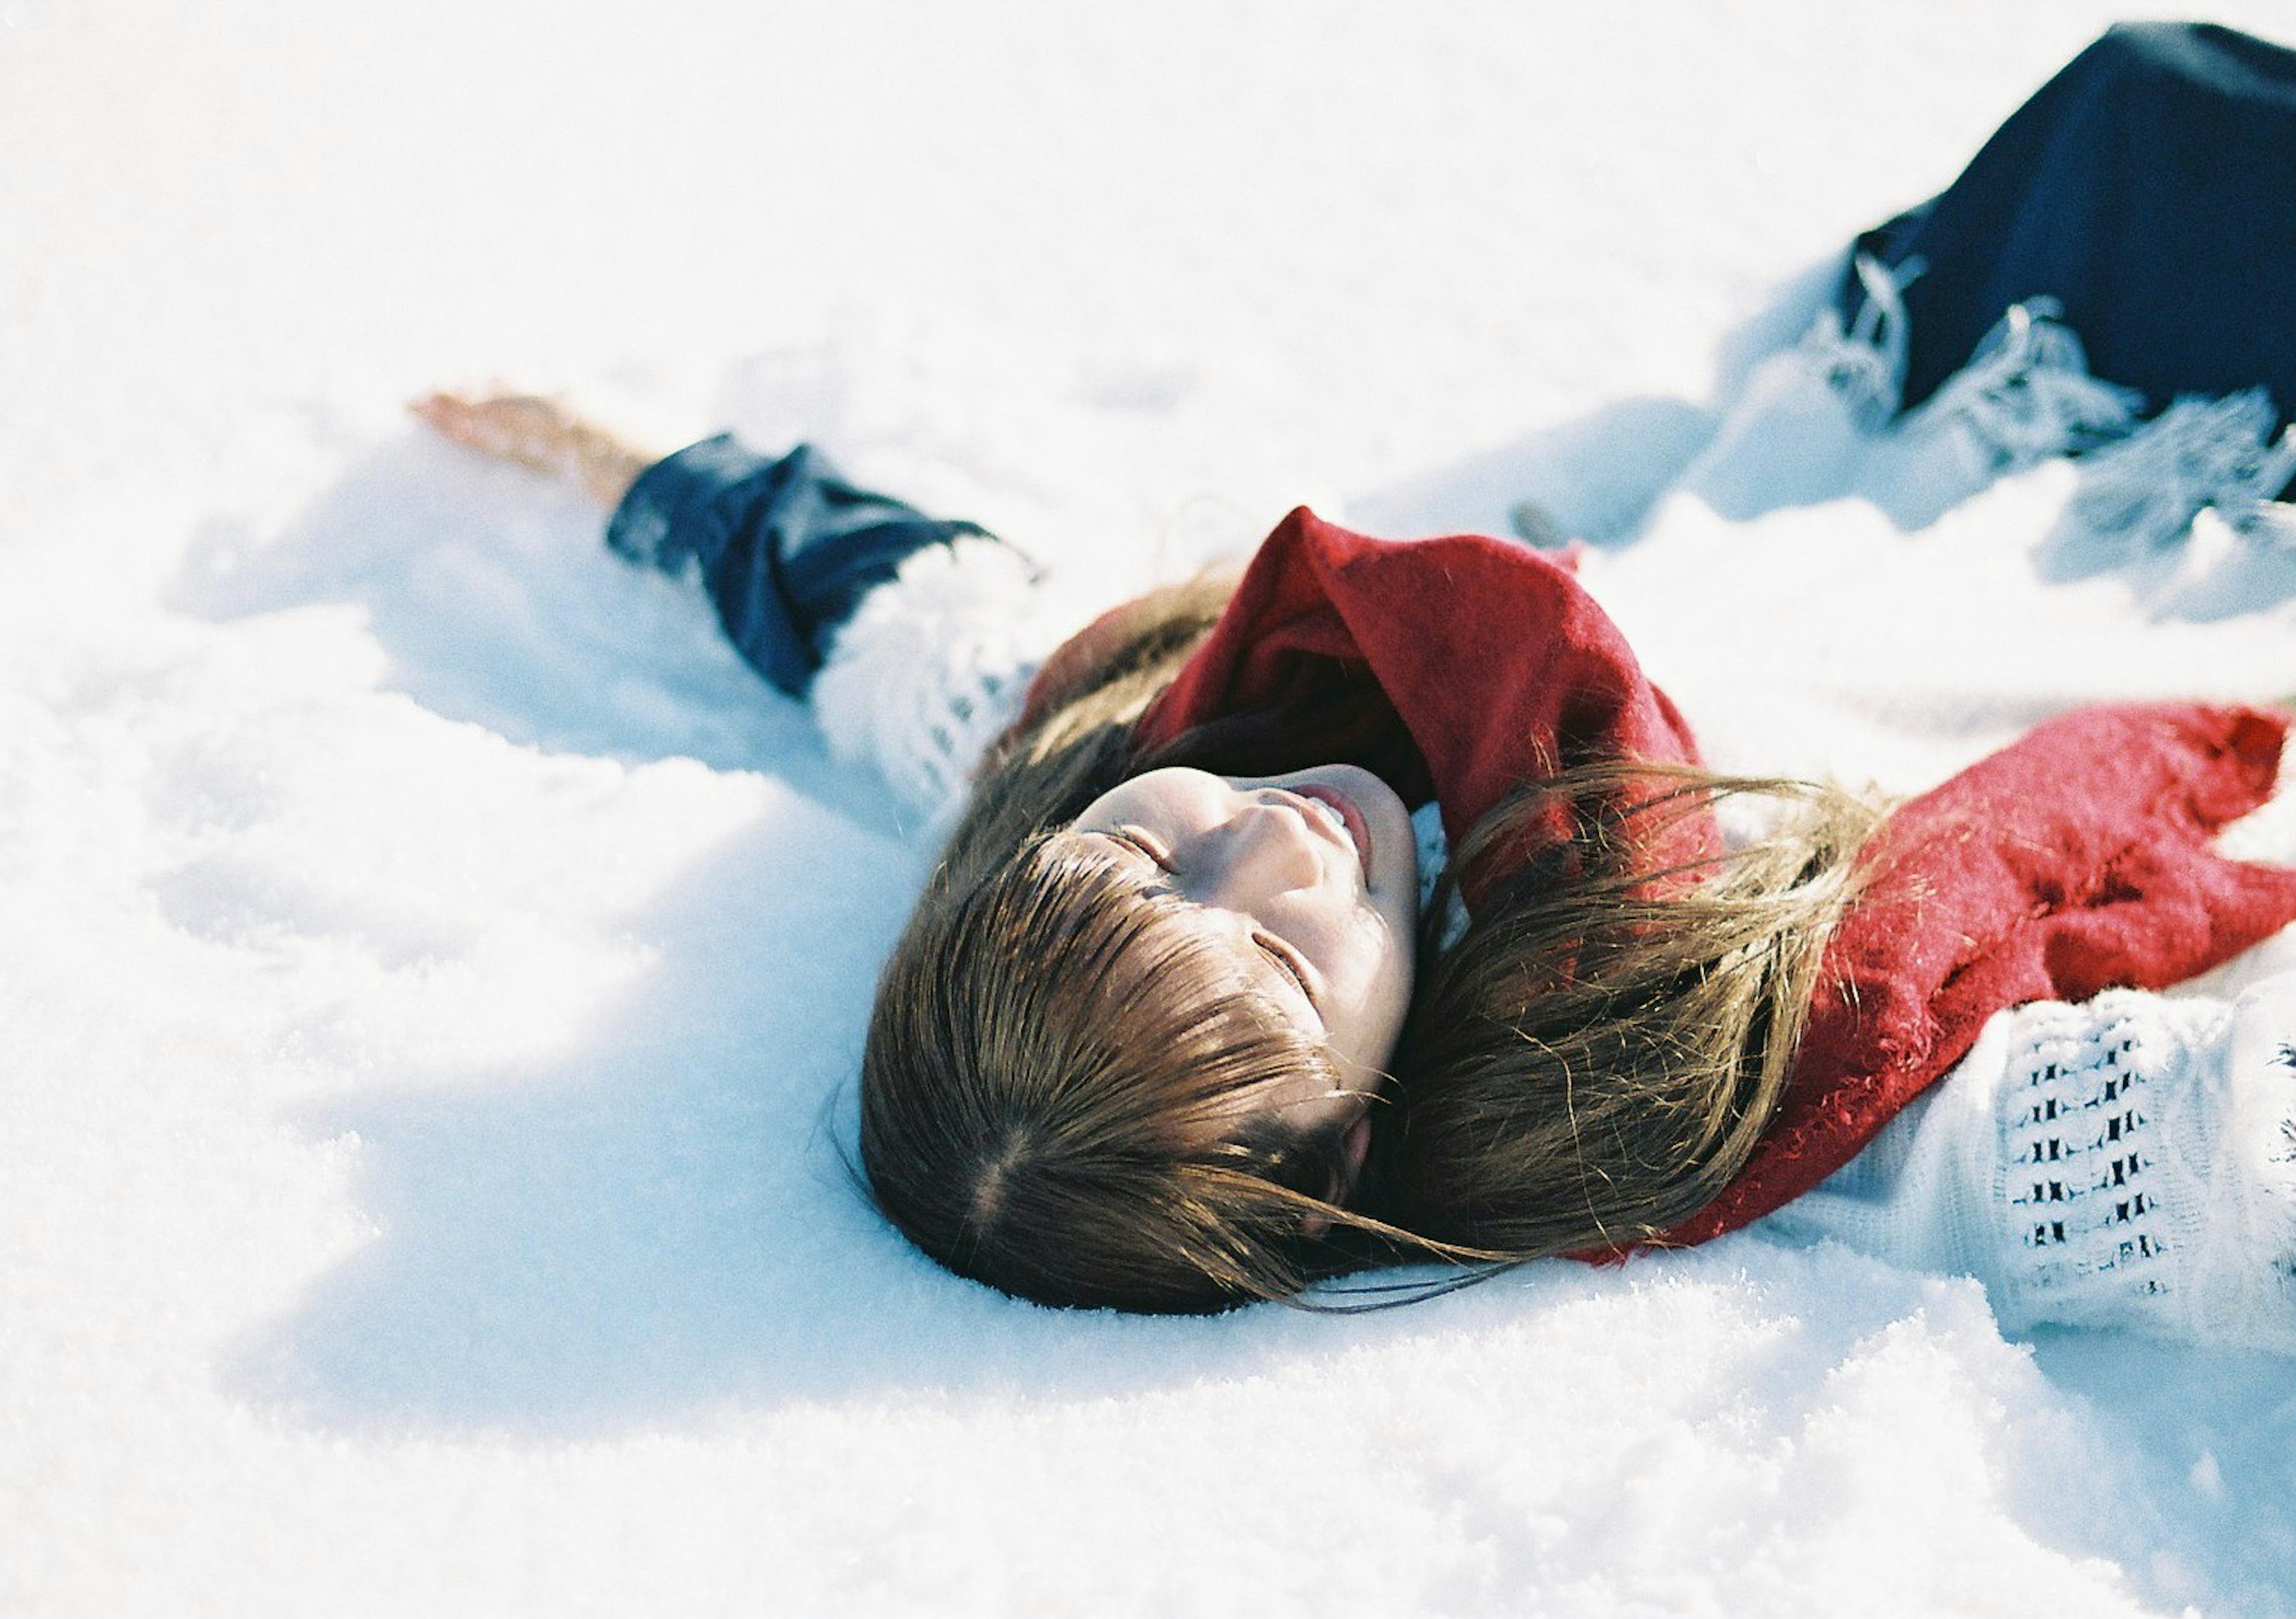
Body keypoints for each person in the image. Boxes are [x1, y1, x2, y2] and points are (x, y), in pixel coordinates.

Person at [411, 20, 2296, 1346]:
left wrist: (630, 472)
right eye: (1297, 961)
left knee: (2149, 116)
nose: (1275, 843)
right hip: (2153, 567)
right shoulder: (1719, 1101)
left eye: (1152, 862)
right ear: (1358, 1139)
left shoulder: (1107, 744)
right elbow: (2221, 1157)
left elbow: (880, 607)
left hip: (1865, 483)